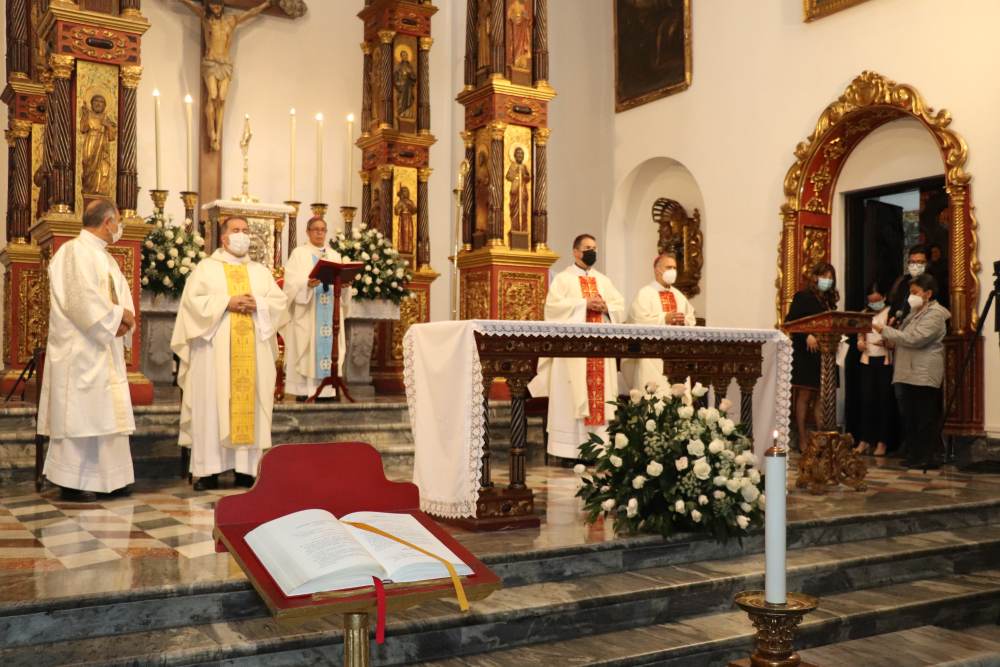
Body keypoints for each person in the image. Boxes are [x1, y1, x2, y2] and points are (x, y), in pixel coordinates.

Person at [171, 216, 288, 490]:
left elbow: (279, 304)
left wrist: (257, 303)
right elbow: (191, 305)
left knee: (249, 404)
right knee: (212, 403)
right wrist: (227, 302)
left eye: (246, 231)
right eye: (236, 230)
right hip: (212, 355)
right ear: (223, 238)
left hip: (253, 353)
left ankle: (246, 470)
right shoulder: (206, 269)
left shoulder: (260, 271)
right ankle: (208, 471)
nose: (242, 235)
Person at [37, 199, 136, 502]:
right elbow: (81, 300)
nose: (119, 227)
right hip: (79, 349)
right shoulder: (73, 252)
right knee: (81, 415)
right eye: (118, 221)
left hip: (104, 346)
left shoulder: (106, 258)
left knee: (105, 414)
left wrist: (124, 318)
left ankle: (111, 479)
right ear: (108, 222)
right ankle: (72, 480)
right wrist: (116, 319)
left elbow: (122, 296)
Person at [528, 234, 625, 464]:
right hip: (573, 353)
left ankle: (599, 450)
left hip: (600, 350)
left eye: (594, 248)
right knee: (573, 395)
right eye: (587, 248)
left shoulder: (604, 280)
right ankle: (571, 452)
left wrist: (606, 306)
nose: (592, 251)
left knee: (600, 397)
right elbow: (552, 310)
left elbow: (620, 307)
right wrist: (584, 304)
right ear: (575, 252)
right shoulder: (563, 279)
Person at [875, 273, 950, 471]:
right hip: (905, 371)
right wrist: (890, 339)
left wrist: (885, 331)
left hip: (923, 372)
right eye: (910, 292)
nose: (911, 296)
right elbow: (904, 337)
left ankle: (928, 456)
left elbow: (915, 339)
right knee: (909, 416)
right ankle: (915, 454)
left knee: (924, 416)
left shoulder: (936, 314)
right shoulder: (912, 313)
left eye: (915, 292)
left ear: (928, 293)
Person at [281, 216, 346, 401]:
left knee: (331, 346)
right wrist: (307, 284)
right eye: (315, 229)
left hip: (330, 310)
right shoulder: (299, 253)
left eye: (323, 229)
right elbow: (291, 284)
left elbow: (341, 279)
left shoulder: (334, 255)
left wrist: (345, 285)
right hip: (308, 312)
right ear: (308, 232)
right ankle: (305, 391)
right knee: (308, 350)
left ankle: (328, 391)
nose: (319, 232)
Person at [622, 251, 696, 392]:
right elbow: (638, 320)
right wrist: (664, 318)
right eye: (669, 268)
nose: (673, 271)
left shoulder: (678, 295)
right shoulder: (645, 294)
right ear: (657, 270)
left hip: (677, 356)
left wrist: (683, 321)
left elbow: (690, 317)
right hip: (651, 356)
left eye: (675, 268)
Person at [785, 262, 839, 450]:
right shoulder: (803, 296)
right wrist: (807, 334)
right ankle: (801, 438)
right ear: (815, 277)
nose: (828, 281)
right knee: (805, 395)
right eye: (825, 276)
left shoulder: (829, 300)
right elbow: (790, 322)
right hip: (807, 352)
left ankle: (822, 439)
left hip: (825, 353)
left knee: (822, 397)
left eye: (831, 278)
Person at [853, 284, 895, 457]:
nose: (874, 304)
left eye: (877, 301)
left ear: (884, 297)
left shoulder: (891, 313)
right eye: (871, 301)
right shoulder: (864, 314)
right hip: (867, 360)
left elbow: (894, 337)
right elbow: (859, 335)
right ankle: (864, 440)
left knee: (884, 401)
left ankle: (882, 442)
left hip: (885, 361)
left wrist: (887, 342)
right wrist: (860, 342)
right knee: (867, 400)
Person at [887, 245, 929, 319]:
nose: (915, 266)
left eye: (919, 262)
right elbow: (894, 305)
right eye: (912, 262)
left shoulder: (931, 283)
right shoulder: (903, 282)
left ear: (926, 263)